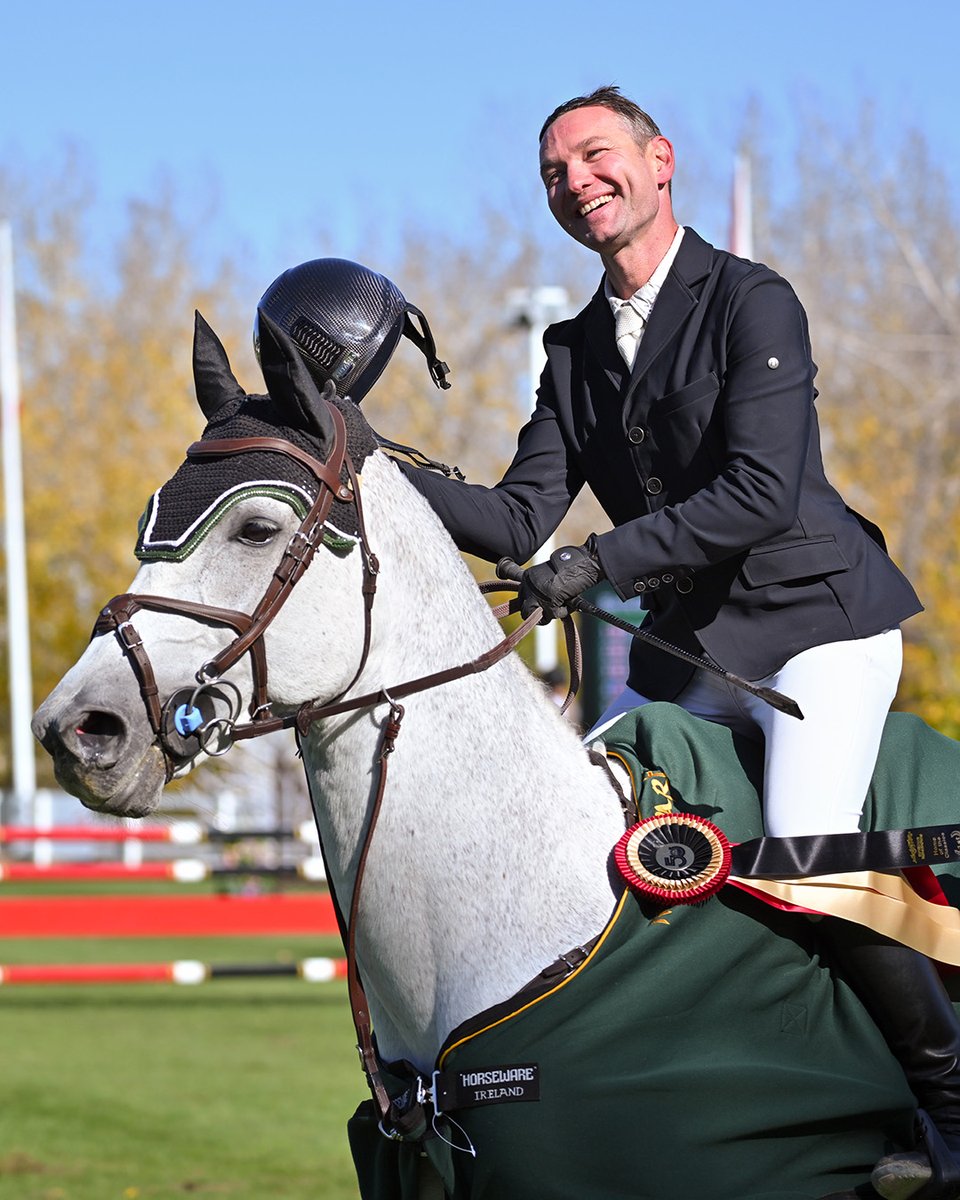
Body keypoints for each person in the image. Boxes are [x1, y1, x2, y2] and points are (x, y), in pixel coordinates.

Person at [253, 91, 959, 1195]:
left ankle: (946, 1098)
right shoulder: (574, 348)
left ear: (658, 160)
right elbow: (523, 516)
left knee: (807, 837)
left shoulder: (751, 300)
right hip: (692, 653)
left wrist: (605, 560)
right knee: (598, 842)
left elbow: (765, 492)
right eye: (553, 170)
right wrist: (371, 458)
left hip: (819, 622)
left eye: (594, 155)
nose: (575, 180)